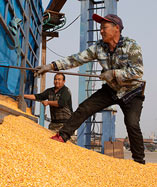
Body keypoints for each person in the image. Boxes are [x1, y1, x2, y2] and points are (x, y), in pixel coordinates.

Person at [35, 14, 146, 164]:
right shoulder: (99, 47)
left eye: (104, 27)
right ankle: (62, 136)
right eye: (100, 28)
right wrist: (51, 66)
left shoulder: (132, 46)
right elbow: (76, 59)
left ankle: (139, 162)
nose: (101, 31)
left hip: (132, 92)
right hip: (111, 90)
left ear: (116, 28)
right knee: (85, 107)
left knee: (132, 123)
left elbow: (137, 72)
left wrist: (113, 73)